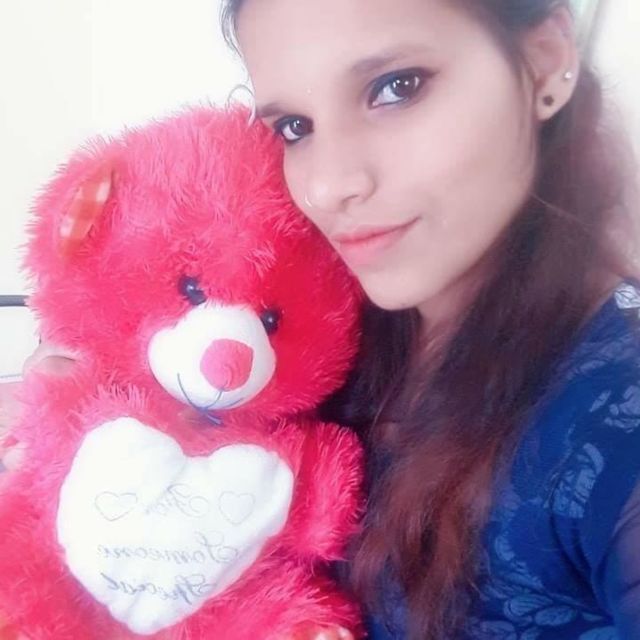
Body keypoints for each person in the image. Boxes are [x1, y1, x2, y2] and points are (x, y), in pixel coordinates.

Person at [2, 0, 640, 638]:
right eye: (294, 127)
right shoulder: (319, 330)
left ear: (543, 60)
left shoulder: (613, 419)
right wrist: (92, 398)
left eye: (396, 88)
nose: (329, 186)